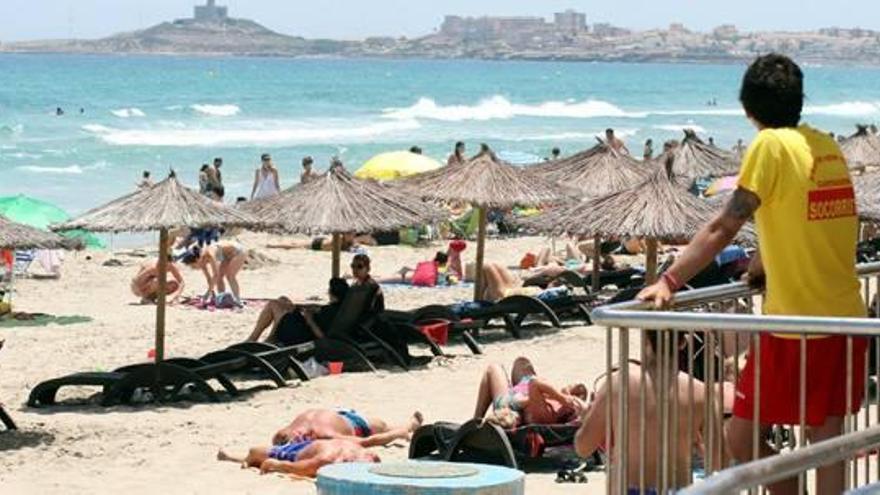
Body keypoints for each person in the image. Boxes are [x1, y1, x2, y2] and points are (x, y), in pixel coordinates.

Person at [637, 54, 866, 495]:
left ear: (749, 110)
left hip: (796, 323)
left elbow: (725, 225)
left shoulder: (768, 146)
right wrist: (763, 265)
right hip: (845, 317)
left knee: (740, 436)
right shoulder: (825, 147)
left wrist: (668, 280)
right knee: (828, 443)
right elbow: (802, 219)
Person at [574, 330, 729, 492]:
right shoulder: (700, 392)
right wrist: (698, 445)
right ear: (682, 343)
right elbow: (721, 460)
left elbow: (583, 447)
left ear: (645, 339)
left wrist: (586, 418)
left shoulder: (619, 383)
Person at [474, 357, 586, 429]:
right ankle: (477, 421)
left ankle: (476, 421)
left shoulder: (542, 414)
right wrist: (563, 395)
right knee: (520, 362)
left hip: (507, 402)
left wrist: (562, 398)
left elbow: (535, 384)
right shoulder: (549, 413)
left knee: (495, 367)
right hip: (517, 398)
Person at [246, 277, 349, 345]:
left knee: (273, 304)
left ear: (331, 293)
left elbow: (322, 337)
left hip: (300, 334)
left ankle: (253, 339)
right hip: (302, 327)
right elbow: (322, 312)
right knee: (283, 299)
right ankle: (270, 339)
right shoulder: (339, 308)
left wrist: (309, 319)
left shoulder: (331, 312)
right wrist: (311, 309)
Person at [217, 438, 379, 478]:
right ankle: (230, 457)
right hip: (301, 451)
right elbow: (293, 467)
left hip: (320, 446)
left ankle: (229, 456)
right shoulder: (325, 461)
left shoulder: (371, 457)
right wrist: (277, 465)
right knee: (256, 452)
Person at [271, 408, 423, 446]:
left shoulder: (283, 434)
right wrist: (395, 434)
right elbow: (367, 442)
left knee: (383, 426)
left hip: (347, 419)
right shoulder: (284, 433)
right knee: (384, 426)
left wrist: (396, 435)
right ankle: (410, 425)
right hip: (343, 418)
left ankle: (409, 425)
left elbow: (368, 442)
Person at [181, 241, 247, 306]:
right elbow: (209, 278)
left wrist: (207, 293)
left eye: (192, 265)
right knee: (220, 277)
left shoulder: (210, 254)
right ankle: (221, 297)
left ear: (197, 260)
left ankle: (238, 299)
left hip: (238, 252)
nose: (193, 268)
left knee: (230, 276)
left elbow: (215, 275)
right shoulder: (202, 261)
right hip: (227, 256)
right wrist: (212, 293)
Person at [349, 253, 384, 317]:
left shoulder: (370, 286)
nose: (355, 269)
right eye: (353, 266)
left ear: (368, 269)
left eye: (360, 266)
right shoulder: (356, 283)